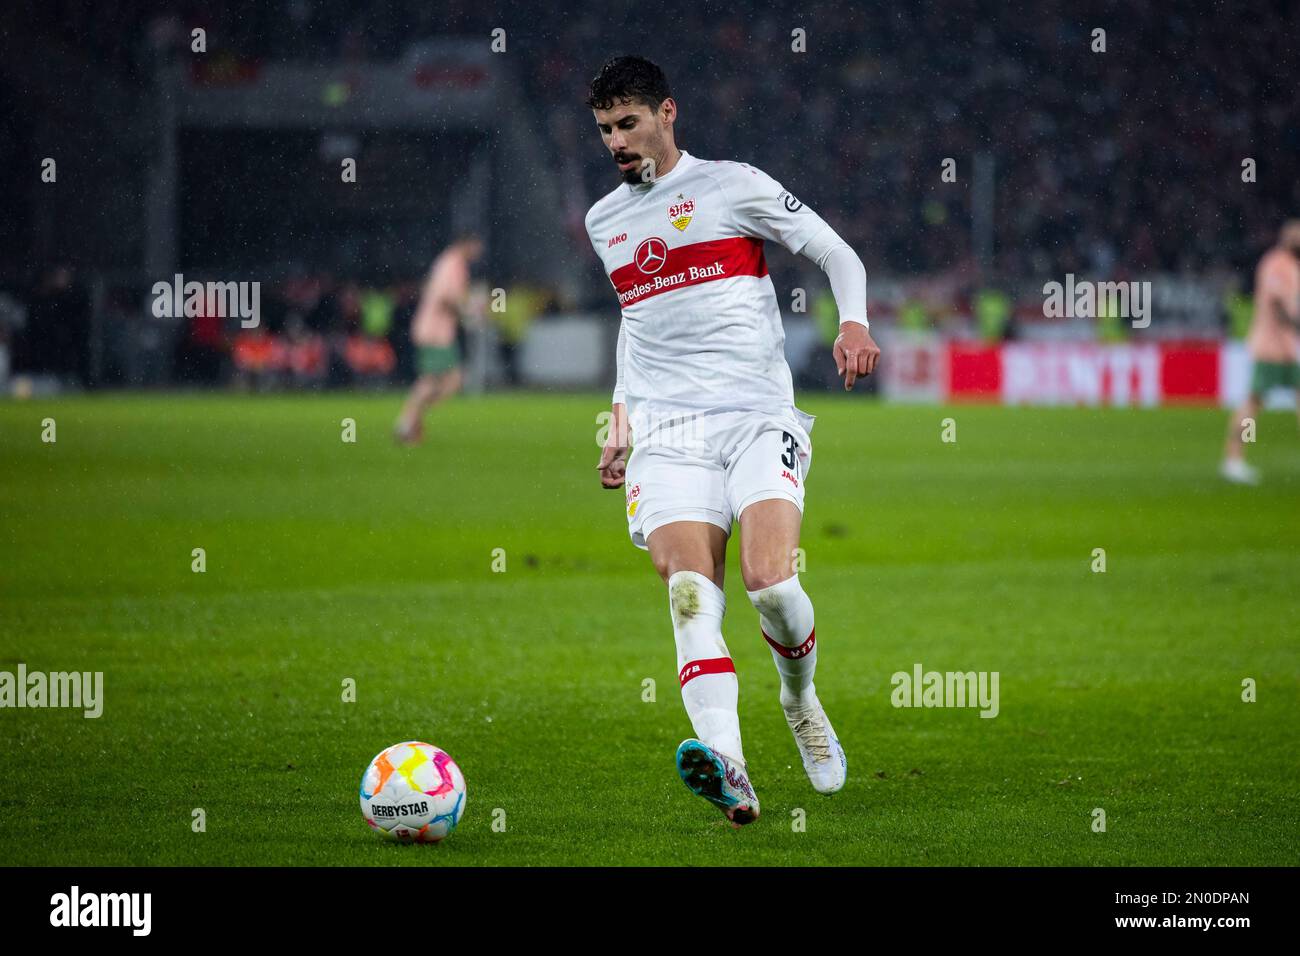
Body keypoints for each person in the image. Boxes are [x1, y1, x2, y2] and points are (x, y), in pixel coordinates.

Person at [584, 56, 880, 826]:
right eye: (605, 129)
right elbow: (637, 325)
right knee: (689, 593)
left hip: (755, 415)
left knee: (772, 585)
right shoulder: (603, 221)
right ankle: (732, 769)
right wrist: (621, 418)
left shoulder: (732, 185)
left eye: (629, 123)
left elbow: (833, 251)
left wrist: (854, 321)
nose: (617, 141)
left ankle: (800, 698)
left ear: (668, 112)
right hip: (668, 432)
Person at [1221, 220, 1300, 484]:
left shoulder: (1289, 265)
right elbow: (1277, 303)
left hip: (1287, 347)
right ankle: (1233, 459)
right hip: (1271, 347)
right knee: (1254, 402)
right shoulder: (1278, 264)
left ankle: (1234, 459)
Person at [395, 234, 484, 444]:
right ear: (467, 243)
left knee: (450, 381)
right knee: (437, 380)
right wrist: (470, 310)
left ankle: (411, 421)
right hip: (435, 331)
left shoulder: (450, 262)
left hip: (437, 330)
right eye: (477, 245)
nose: (479, 251)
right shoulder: (452, 264)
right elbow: (445, 298)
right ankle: (407, 422)